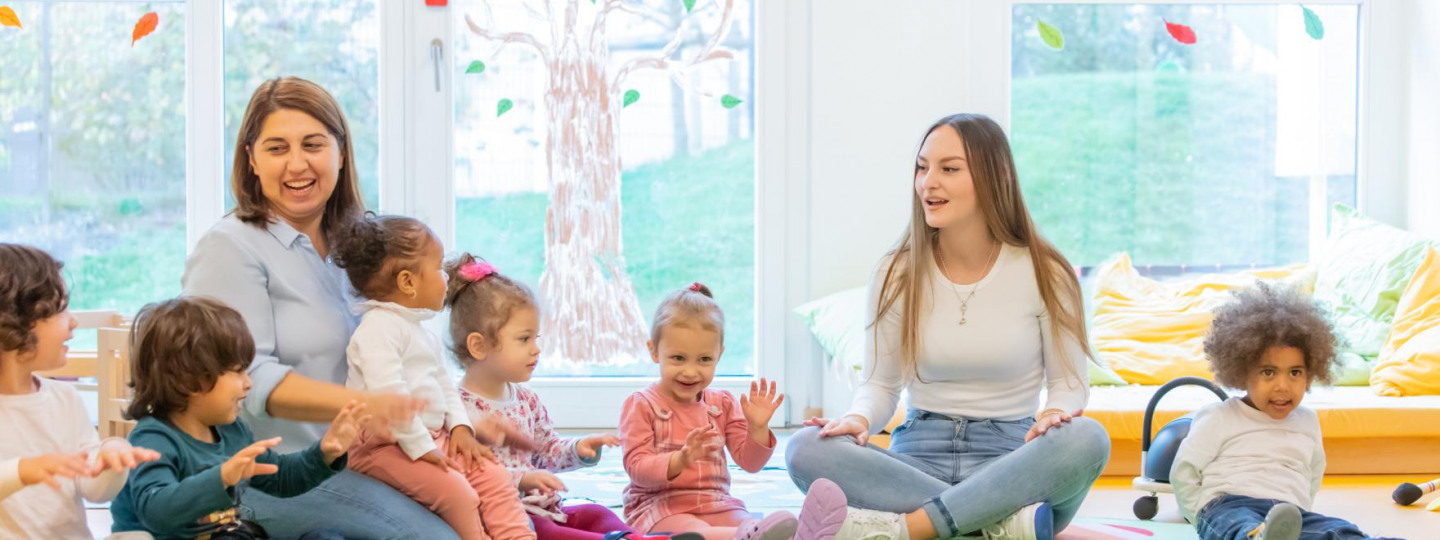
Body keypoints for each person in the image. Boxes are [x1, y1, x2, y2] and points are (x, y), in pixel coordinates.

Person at [785, 114, 1110, 540]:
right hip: (918, 455)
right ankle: (998, 525)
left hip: (1010, 460)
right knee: (805, 449)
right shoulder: (895, 272)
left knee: (1086, 438)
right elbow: (881, 384)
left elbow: (1069, 382)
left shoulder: (1046, 271)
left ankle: (908, 529)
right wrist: (857, 418)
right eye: (922, 168)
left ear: (992, 178)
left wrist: (1053, 414)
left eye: (948, 169)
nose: (927, 182)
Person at [183, 76, 454, 538]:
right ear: (251, 159)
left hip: (370, 459)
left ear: (341, 152)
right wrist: (368, 404)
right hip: (272, 475)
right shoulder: (229, 249)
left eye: (312, 144)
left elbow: (408, 344)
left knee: (498, 511)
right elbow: (244, 382)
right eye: (276, 148)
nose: (297, 164)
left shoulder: (362, 247)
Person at [1172, 283, 1399, 540]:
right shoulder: (1219, 416)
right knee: (1238, 524)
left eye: (1295, 373)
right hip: (1229, 505)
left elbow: (1312, 474)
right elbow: (1184, 471)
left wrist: (1299, 518)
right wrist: (1199, 515)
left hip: (1289, 513)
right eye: (1268, 372)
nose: (1283, 386)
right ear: (1242, 371)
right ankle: (1256, 537)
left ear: (1310, 373)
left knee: (1338, 529)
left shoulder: (1307, 421)